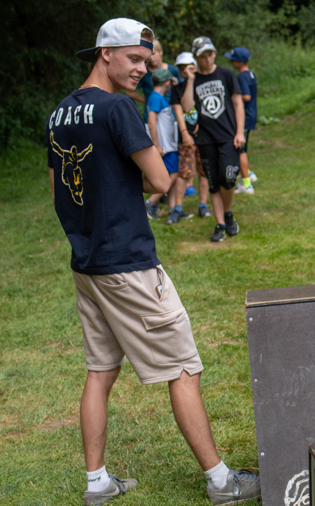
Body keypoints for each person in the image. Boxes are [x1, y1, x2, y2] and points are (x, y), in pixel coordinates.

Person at [47, 18, 260, 505]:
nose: (143, 69)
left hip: (87, 264)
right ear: (104, 54)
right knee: (183, 366)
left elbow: (62, 191)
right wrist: (145, 174)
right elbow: (161, 183)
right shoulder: (119, 108)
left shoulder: (61, 113)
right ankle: (222, 481)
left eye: (147, 61)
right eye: (134, 59)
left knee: (101, 371)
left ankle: (96, 482)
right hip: (128, 263)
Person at [180, 36, 244, 242]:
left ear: (214, 54)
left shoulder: (226, 74)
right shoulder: (193, 79)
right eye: (202, 56)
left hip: (228, 136)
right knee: (213, 183)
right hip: (206, 139)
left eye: (210, 54)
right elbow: (187, 108)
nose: (207, 59)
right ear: (196, 58)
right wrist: (190, 80)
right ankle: (220, 224)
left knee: (228, 178)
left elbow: (237, 103)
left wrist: (240, 132)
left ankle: (228, 212)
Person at [143, 67, 192, 224]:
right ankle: (150, 203)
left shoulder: (159, 98)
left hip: (170, 146)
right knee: (173, 175)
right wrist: (157, 145)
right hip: (164, 147)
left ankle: (173, 209)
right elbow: (151, 122)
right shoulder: (156, 98)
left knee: (173, 174)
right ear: (167, 83)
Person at [170, 51, 211, 219]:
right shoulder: (177, 90)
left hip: (204, 136)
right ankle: (177, 208)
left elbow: (207, 109)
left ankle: (203, 205)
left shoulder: (202, 86)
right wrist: (184, 132)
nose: (185, 72)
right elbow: (181, 111)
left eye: (188, 68)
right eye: (182, 68)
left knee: (204, 172)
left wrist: (201, 124)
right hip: (185, 137)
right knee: (184, 172)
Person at [224, 46, 258, 194]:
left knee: (240, 150)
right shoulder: (249, 74)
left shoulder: (242, 77)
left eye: (233, 59)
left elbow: (246, 96)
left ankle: (247, 184)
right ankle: (249, 174)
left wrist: (232, 97)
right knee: (241, 149)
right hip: (251, 115)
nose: (231, 62)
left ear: (239, 61)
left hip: (245, 117)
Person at [124, 38, 181, 124]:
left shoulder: (173, 70)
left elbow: (182, 91)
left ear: (161, 51)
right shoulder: (144, 72)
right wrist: (146, 100)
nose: (151, 57)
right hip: (150, 116)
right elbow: (129, 92)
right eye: (149, 55)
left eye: (153, 54)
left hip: (171, 116)